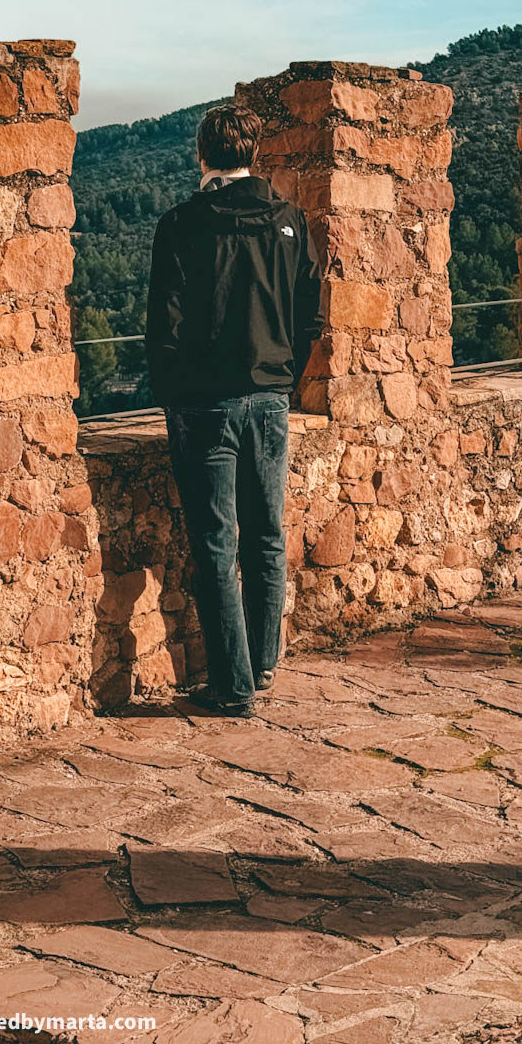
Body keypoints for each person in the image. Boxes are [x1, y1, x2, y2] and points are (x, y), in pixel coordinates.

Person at [145, 100, 325, 718]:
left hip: (204, 404)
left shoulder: (181, 224)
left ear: (202, 155)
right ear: (253, 154)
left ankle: (233, 685)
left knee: (218, 544)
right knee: (267, 537)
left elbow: (162, 326)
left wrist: (175, 394)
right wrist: (281, 379)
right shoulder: (291, 221)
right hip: (270, 401)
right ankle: (263, 664)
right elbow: (310, 317)